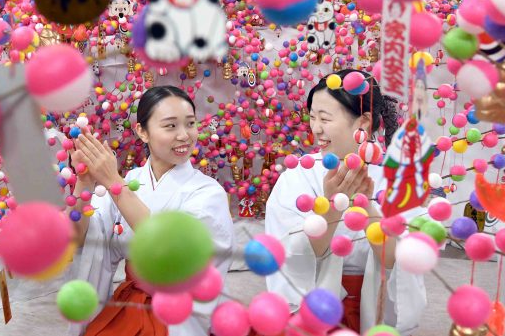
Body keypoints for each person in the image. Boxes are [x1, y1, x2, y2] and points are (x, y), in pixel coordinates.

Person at [265, 69, 427, 335]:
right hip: (314, 303)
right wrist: (330, 205)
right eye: (312, 117)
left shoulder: (397, 177)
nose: (315, 128)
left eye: (325, 118)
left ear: (363, 122)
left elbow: (400, 259)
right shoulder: (298, 173)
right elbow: (291, 254)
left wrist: (366, 207)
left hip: (373, 304)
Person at [67, 86, 234, 336]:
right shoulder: (132, 181)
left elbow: (171, 254)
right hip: (128, 304)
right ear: (142, 132)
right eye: (170, 126)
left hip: (178, 312)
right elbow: (79, 238)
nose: (184, 136)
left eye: (190, 124)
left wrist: (114, 182)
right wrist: (85, 181)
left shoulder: (208, 193)